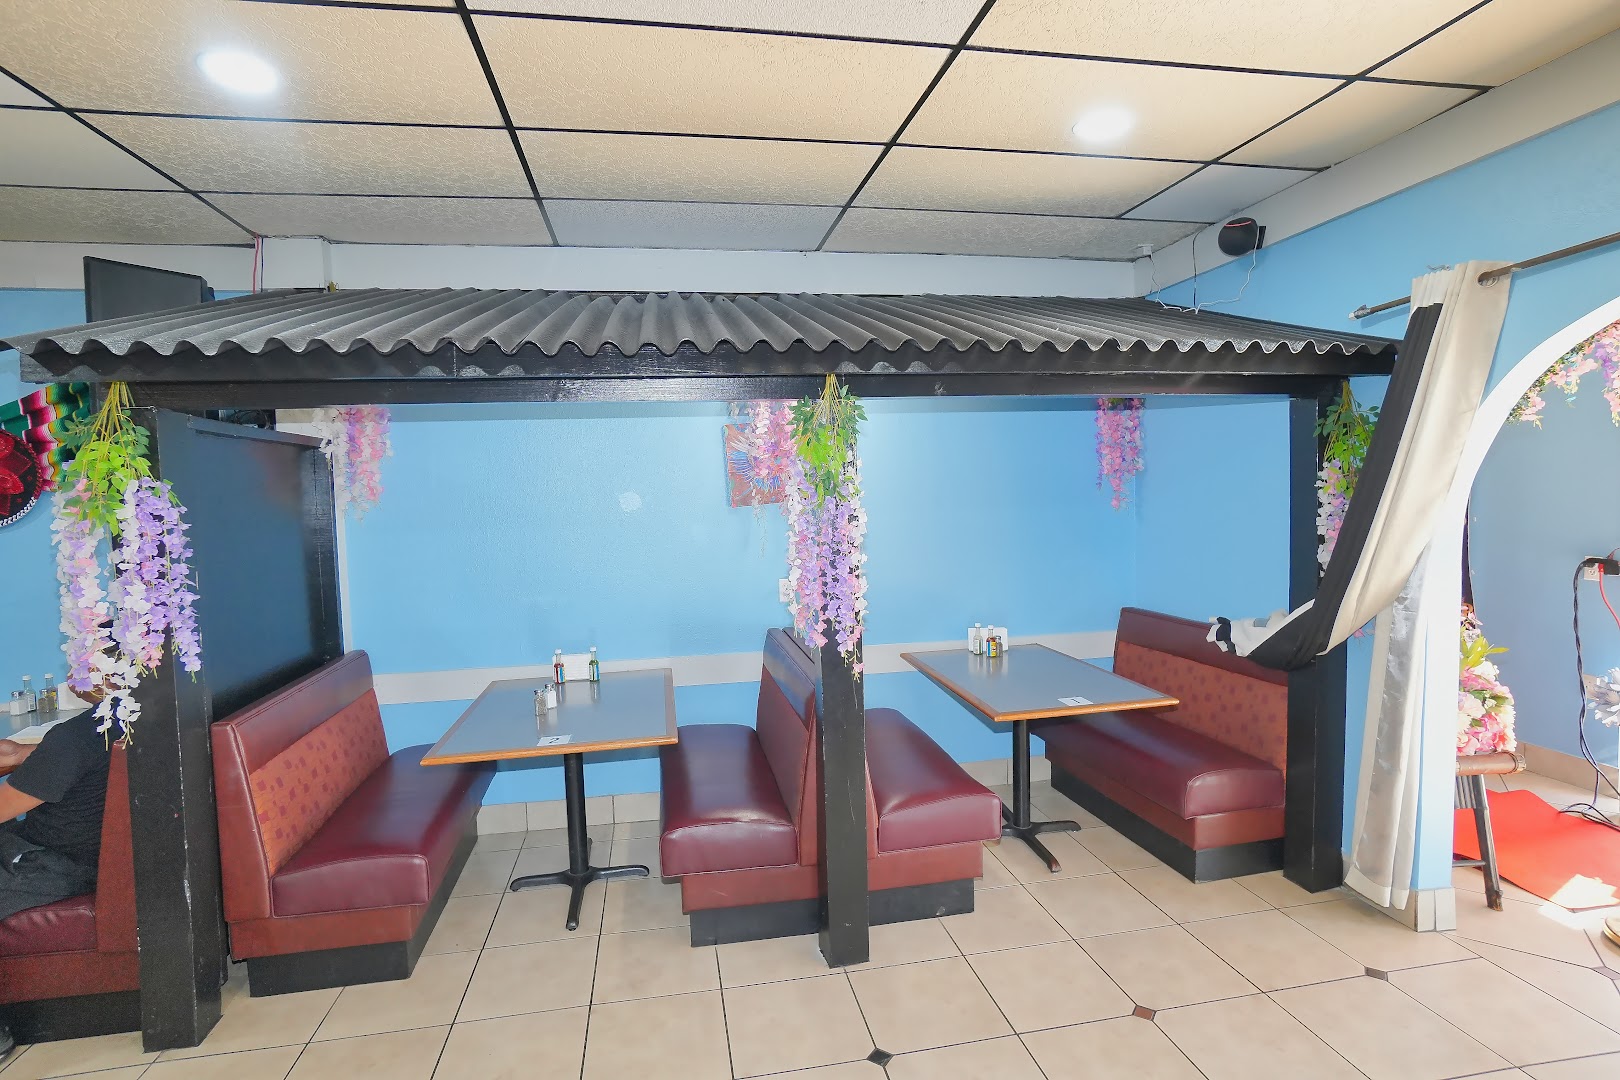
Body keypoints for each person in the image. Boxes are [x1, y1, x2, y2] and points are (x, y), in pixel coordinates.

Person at [0, 711, 112, 1059]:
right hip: (91, 853)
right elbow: (77, 757)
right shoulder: (118, 721)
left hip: (56, 863)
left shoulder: (73, 737)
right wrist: (22, 754)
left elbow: (4, 806)